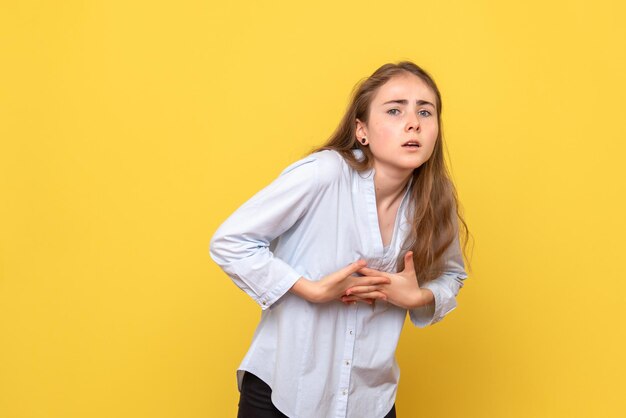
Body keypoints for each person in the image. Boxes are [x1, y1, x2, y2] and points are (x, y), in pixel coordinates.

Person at [209, 61, 470, 418]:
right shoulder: (324, 174)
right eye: (395, 110)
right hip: (283, 393)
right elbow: (230, 241)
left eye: (426, 111)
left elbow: (452, 275)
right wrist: (310, 289)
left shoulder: (436, 200)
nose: (414, 123)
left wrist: (419, 295)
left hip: (369, 401)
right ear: (361, 131)